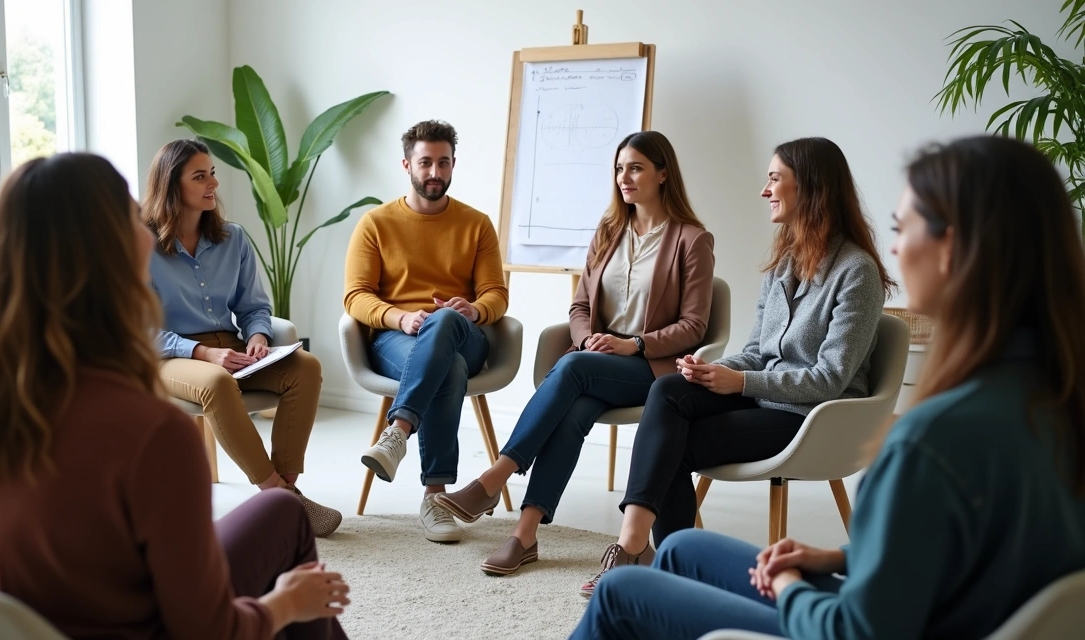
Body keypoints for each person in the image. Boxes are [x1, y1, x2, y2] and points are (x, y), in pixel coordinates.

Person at [572, 136, 1085, 639]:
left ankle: (636, 560)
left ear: (952, 248)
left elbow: (853, 628)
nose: (895, 247)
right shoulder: (1053, 400)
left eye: (901, 227)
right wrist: (839, 557)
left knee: (626, 593)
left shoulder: (927, 443)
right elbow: (971, 551)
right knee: (682, 543)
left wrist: (792, 584)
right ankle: (642, 543)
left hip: (808, 424)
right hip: (933, 610)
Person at [0, 153, 349, 640]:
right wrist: (283, 604)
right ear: (115, 253)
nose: (144, 228)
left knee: (281, 511)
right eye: (129, 215)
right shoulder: (151, 434)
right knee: (299, 578)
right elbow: (209, 631)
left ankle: (282, 488)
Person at [581, 137, 896, 596]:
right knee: (669, 390)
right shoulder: (782, 263)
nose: (764, 191)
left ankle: (653, 558)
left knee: (676, 445)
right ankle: (646, 550)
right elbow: (756, 348)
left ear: (809, 188)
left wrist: (741, 380)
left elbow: (831, 378)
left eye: (774, 179)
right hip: (760, 396)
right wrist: (710, 370)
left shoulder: (856, 272)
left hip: (810, 418)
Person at [431, 131, 715, 575]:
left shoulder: (692, 240)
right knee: (575, 407)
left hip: (650, 368)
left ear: (663, 174)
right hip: (596, 359)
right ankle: (523, 534)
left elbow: (694, 326)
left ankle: (495, 478)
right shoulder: (608, 231)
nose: (624, 177)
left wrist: (632, 344)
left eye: (636, 167)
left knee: (574, 369)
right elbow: (580, 306)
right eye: (619, 168)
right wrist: (587, 339)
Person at [143, 139, 340, 537]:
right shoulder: (141, 246)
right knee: (216, 381)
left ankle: (287, 487)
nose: (213, 182)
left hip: (229, 346)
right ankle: (278, 495)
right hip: (169, 355)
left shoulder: (233, 239)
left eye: (212, 172)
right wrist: (201, 353)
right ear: (171, 185)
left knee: (305, 366)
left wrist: (257, 337)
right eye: (200, 176)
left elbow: (253, 306)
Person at [344, 120, 509, 542]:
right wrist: (400, 318)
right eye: (425, 163)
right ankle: (435, 497)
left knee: (447, 322)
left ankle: (397, 432)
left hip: (463, 334)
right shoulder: (375, 223)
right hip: (397, 340)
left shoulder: (477, 224)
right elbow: (356, 298)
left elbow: (497, 295)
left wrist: (471, 310)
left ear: (454, 164)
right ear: (407, 164)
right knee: (448, 369)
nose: (434, 172)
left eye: (443, 162)